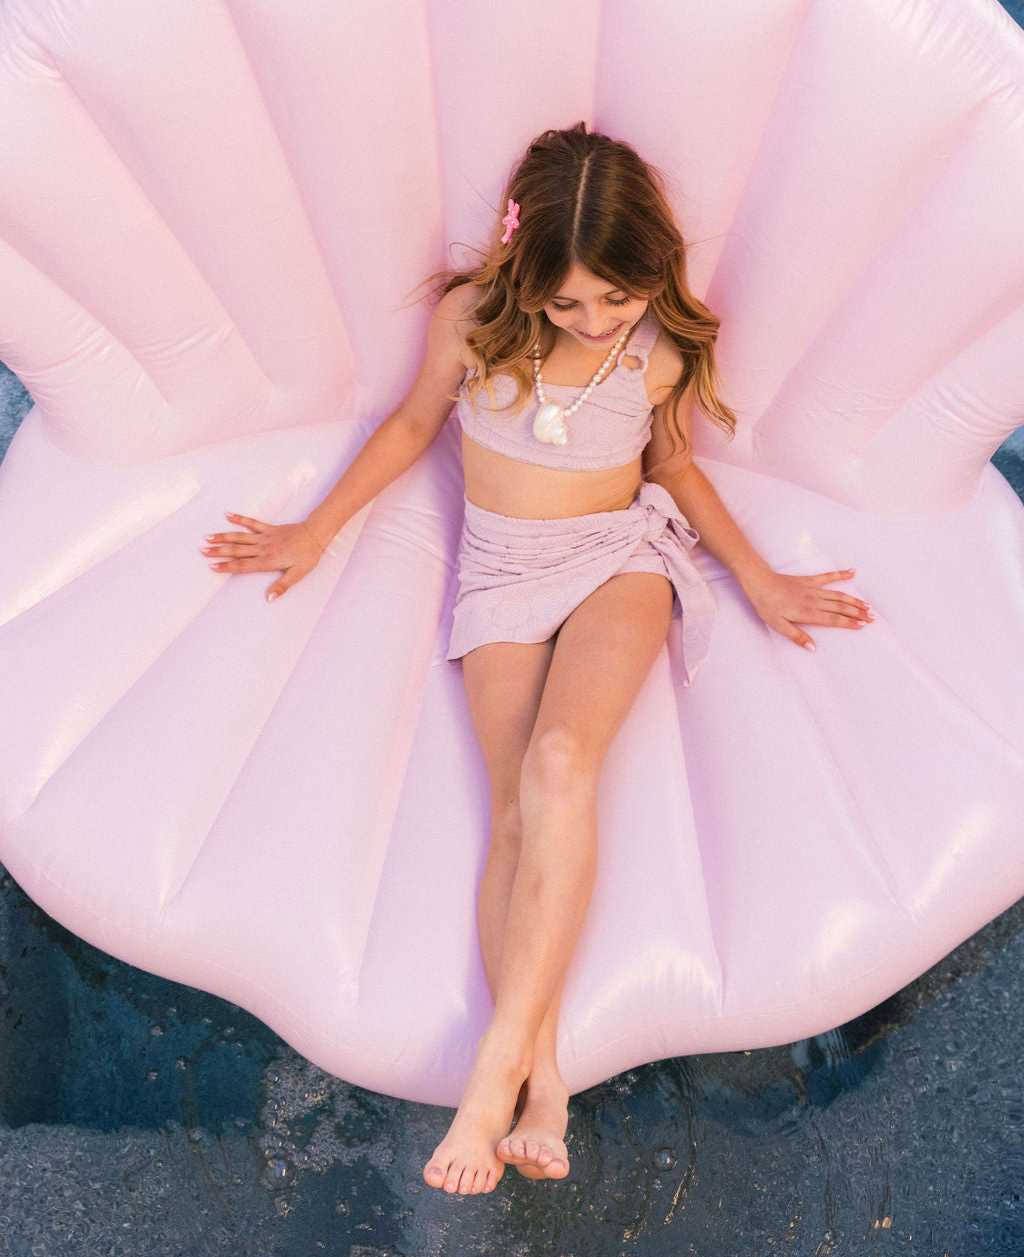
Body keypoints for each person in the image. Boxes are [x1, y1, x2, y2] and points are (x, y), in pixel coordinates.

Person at [200, 122, 873, 1197]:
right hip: (504, 572)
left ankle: (491, 1077)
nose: (593, 318)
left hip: (619, 560)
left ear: (650, 267)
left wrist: (758, 578)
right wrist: (315, 531)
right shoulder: (475, 321)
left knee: (563, 762)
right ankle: (546, 1080)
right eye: (567, 302)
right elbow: (413, 425)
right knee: (515, 806)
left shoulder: (661, 345)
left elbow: (677, 472)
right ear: (523, 265)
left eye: (613, 297)